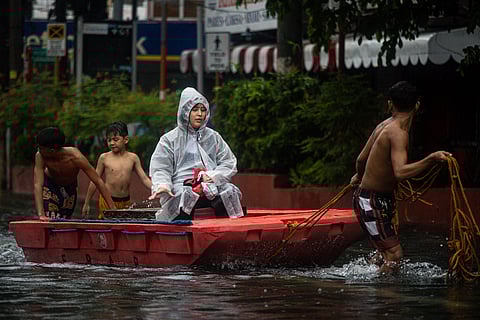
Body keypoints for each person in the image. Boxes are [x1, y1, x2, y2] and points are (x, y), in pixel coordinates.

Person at [350, 81, 451, 273]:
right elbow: (401, 172)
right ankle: (384, 301)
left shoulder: (383, 125)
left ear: (390, 104)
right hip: (371, 201)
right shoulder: (398, 133)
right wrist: (431, 159)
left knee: (384, 254)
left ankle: (367, 286)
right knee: (394, 256)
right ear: (417, 105)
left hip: (375, 199)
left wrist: (359, 176)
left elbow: (360, 159)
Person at [149, 87, 244, 221]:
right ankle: (182, 236)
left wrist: (212, 176)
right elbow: (161, 167)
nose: (200, 114)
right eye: (195, 110)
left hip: (209, 186)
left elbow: (228, 162)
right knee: (184, 195)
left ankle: (227, 233)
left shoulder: (213, 137)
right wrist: (163, 185)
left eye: (203, 110)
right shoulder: (170, 139)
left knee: (229, 191)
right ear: (185, 112)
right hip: (181, 187)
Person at [34, 127, 115, 221]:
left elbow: (97, 181)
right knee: (50, 216)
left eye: (41, 148)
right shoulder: (40, 156)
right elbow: (38, 184)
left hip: (69, 188)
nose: (39, 150)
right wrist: (41, 214)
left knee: (64, 219)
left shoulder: (75, 157)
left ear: (52, 150)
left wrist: (112, 208)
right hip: (50, 186)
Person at [81, 121, 152, 219]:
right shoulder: (104, 157)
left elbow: (144, 178)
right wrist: (87, 202)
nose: (111, 143)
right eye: (109, 140)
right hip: (107, 200)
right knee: (108, 227)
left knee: (123, 226)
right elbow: (95, 181)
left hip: (125, 201)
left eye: (115, 139)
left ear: (126, 139)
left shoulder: (133, 158)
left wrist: (155, 189)